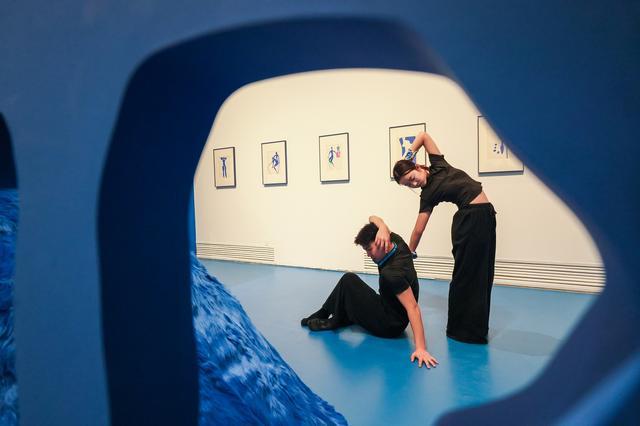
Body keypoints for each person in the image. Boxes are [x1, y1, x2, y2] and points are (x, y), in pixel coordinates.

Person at [391, 130, 496, 344]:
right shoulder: (428, 194)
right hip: (469, 220)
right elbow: (418, 229)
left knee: (483, 274)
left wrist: (408, 155)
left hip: (485, 216)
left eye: (411, 178)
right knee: (467, 275)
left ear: (418, 167)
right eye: (408, 185)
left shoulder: (439, 165)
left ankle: (474, 329)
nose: (413, 184)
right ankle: (463, 331)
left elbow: (423, 136)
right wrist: (410, 252)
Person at [301, 217, 438, 368]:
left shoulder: (392, 273)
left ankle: (335, 321)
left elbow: (412, 307)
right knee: (349, 281)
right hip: (388, 306)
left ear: (381, 242)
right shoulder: (396, 241)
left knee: (348, 280)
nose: (368, 254)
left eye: (369, 249)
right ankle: (325, 311)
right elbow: (373, 217)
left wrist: (421, 348)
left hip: (390, 325)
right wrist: (382, 226)